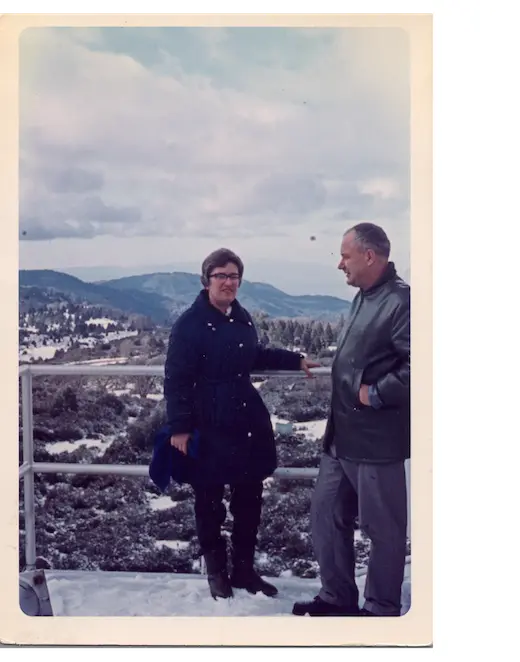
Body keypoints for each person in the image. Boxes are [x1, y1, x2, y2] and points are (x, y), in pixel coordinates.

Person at [163, 247, 319, 601]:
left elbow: (255, 354)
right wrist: (180, 428)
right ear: (207, 280)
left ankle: (244, 570)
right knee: (209, 500)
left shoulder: (240, 316)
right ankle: (217, 574)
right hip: (208, 421)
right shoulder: (189, 324)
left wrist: (295, 360)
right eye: (221, 276)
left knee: (249, 498)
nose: (228, 282)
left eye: (234, 276)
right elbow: (176, 378)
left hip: (244, 420)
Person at [292, 222, 410, 617]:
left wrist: (375, 393)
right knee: (325, 516)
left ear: (369, 256)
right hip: (341, 435)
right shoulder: (363, 296)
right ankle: (337, 596)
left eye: (345, 255)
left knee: (384, 531)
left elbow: (423, 365)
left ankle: (380, 608)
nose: (340, 264)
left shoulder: (401, 301)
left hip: (376, 440)